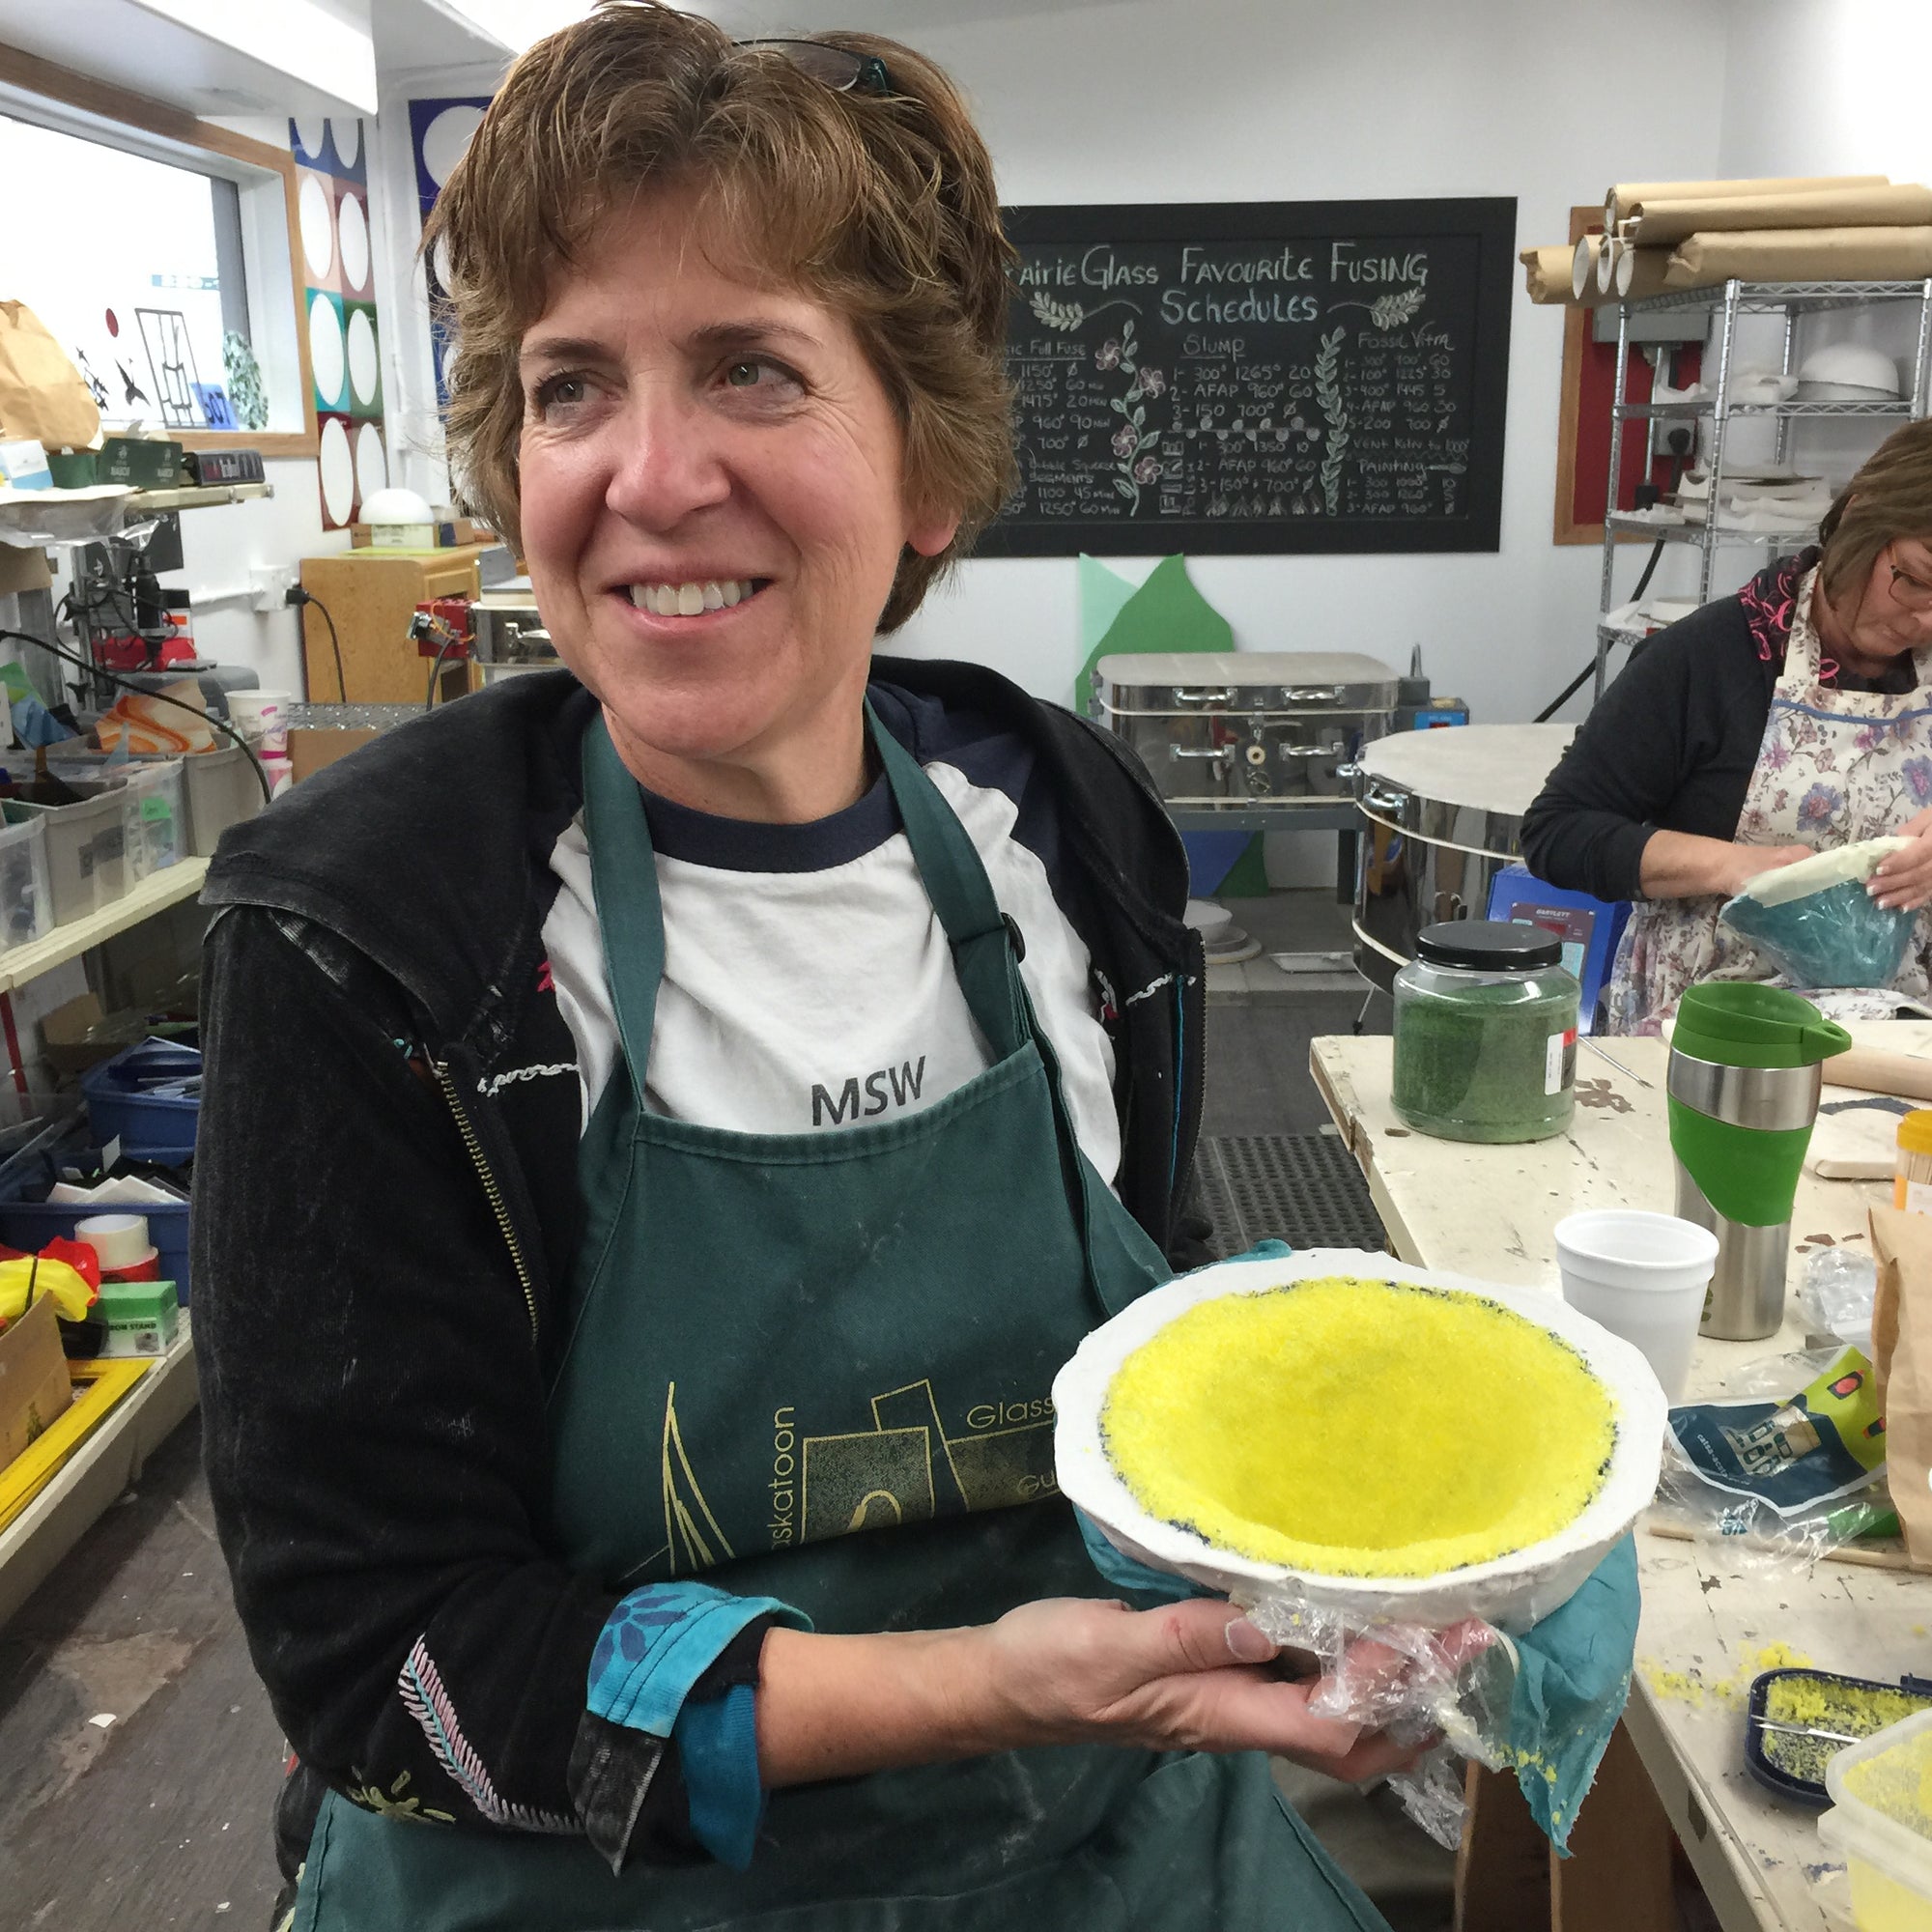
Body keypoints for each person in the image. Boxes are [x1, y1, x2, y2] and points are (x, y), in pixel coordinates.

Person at [192, 9, 1418, 1927]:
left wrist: (1349, 1540)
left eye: (750, 369)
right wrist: (980, 1685)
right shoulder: (375, 938)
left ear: (929, 466)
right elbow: (383, 1663)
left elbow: (1142, 1347)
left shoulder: (1061, 826)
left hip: (1095, 1848)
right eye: (572, 386)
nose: (649, 475)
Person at [1521, 415, 1932, 1034]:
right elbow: (1558, 831)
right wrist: (1731, 865)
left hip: (1895, 1032)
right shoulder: (1708, 658)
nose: (1926, 621)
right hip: (1710, 1028)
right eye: (1916, 581)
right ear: (1858, 519)